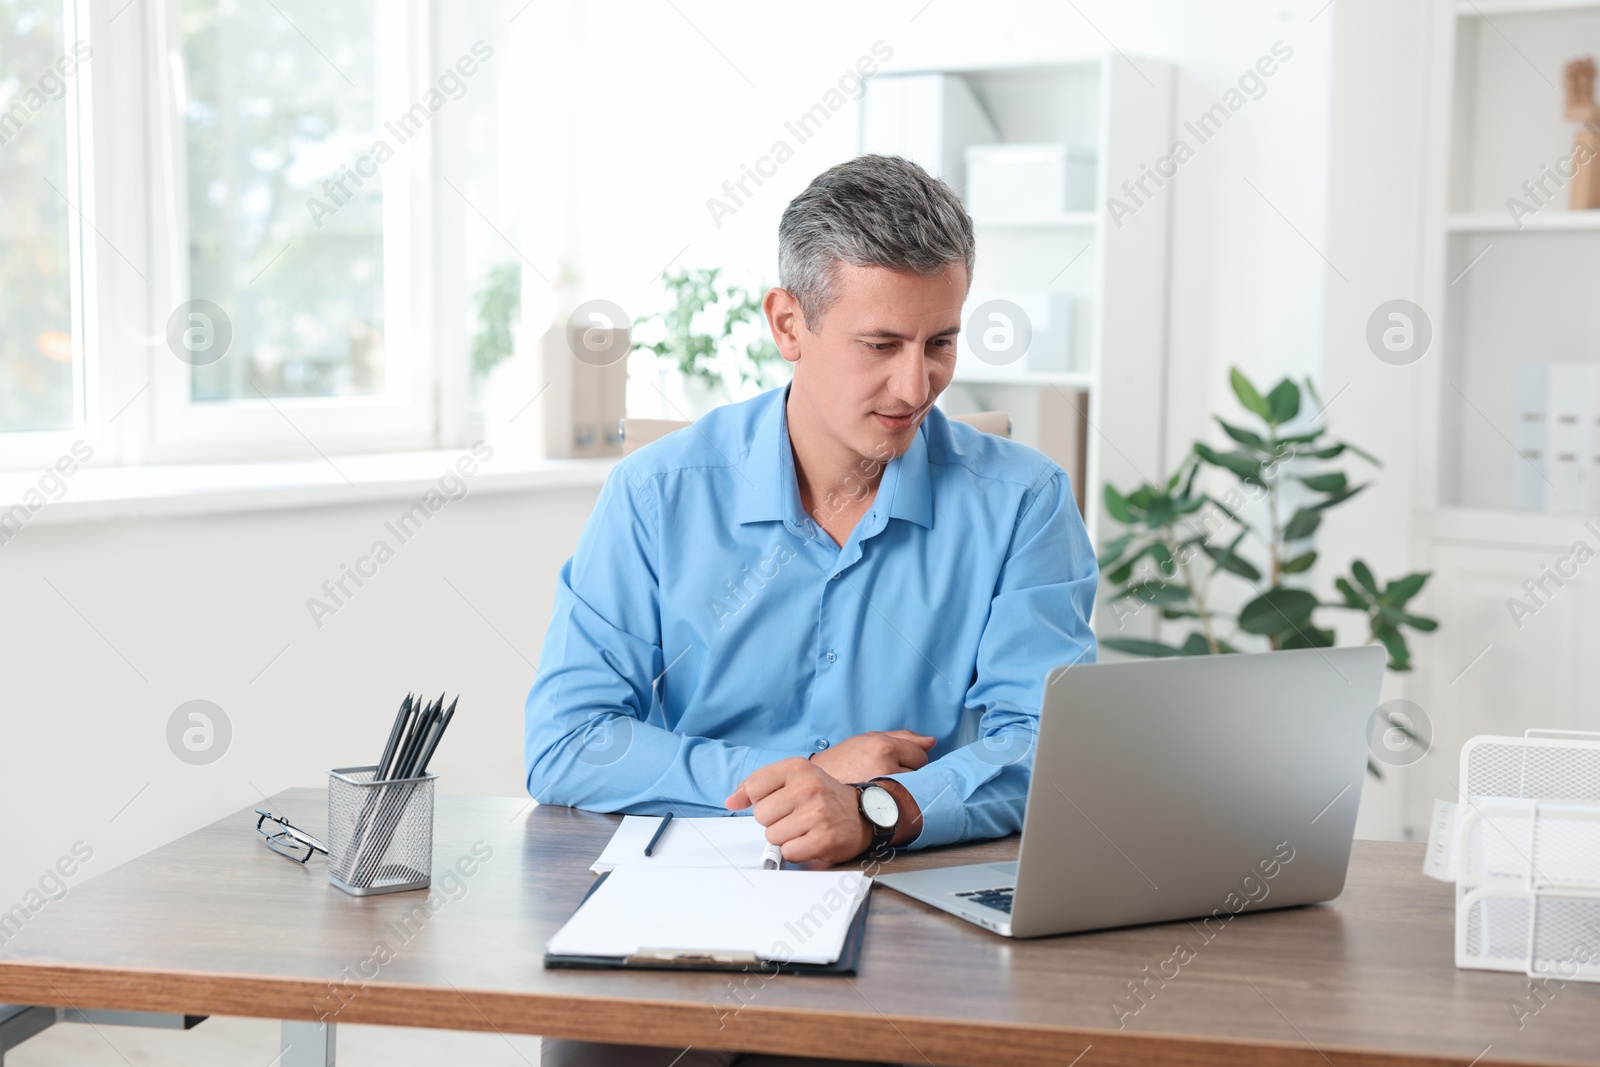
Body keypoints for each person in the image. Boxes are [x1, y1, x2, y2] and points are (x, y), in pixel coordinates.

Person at [526, 154, 1098, 1067]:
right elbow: (568, 741)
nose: (915, 387)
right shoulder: (656, 495)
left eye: (940, 342)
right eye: (881, 346)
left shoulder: (1024, 503)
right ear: (788, 322)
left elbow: (1049, 746)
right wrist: (798, 779)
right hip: (681, 920)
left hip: (920, 919)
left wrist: (876, 805)